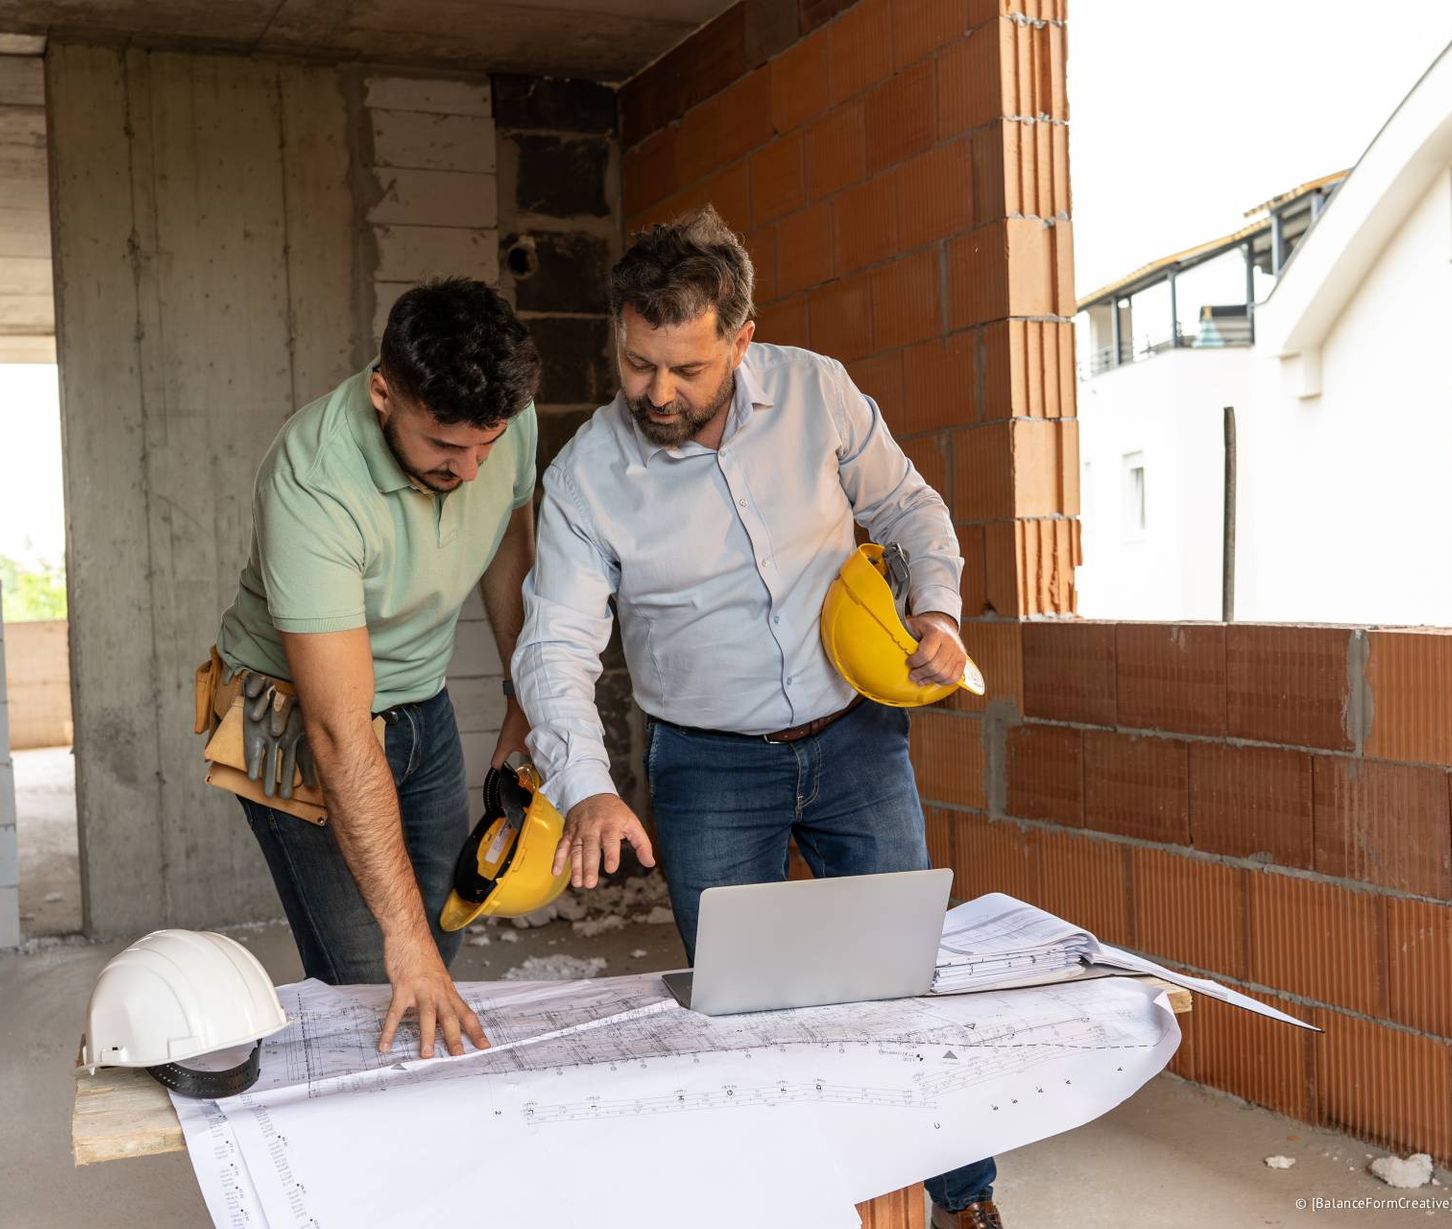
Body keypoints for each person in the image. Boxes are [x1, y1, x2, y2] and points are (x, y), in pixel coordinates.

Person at [511, 208, 1006, 1229]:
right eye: (636, 361)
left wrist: (940, 611)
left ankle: (964, 1202)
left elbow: (911, 509)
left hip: (857, 738)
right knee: (738, 1016)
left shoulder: (817, 392)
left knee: (901, 983)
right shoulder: (585, 477)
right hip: (705, 765)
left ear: (742, 338)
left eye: (685, 367)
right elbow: (555, 642)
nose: (655, 392)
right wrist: (590, 787)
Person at [207, 277, 539, 1061]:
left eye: (485, 445)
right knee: (377, 975)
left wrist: (524, 699)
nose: (468, 467)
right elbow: (337, 729)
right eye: (443, 446)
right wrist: (404, 942)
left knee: (437, 947)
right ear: (384, 392)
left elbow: (507, 541)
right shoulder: (312, 479)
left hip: (421, 700)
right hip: (296, 715)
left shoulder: (504, 420)